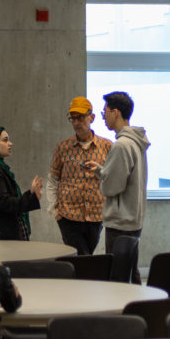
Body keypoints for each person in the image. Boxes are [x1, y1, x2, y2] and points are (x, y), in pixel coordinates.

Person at [85, 91, 150, 284]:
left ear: (115, 112)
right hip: (133, 219)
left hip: (120, 223)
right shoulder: (136, 142)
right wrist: (101, 170)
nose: (103, 117)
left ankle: (124, 312)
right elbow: (125, 178)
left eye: (104, 112)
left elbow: (112, 188)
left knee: (118, 278)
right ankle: (142, 310)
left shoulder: (121, 145)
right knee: (131, 271)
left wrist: (103, 179)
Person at [46, 97, 112, 255]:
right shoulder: (63, 147)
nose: (76, 123)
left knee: (86, 256)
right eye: (73, 118)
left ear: (92, 117)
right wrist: (54, 211)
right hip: (68, 216)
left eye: (80, 117)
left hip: (96, 216)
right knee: (81, 257)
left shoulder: (107, 146)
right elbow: (53, 180)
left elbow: (112, 180)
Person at [0, 126, 42, 240]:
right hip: (0, 236)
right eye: (5, 140)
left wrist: (31, 194)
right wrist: (30, 197)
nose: (10, 143)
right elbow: (5, 203)